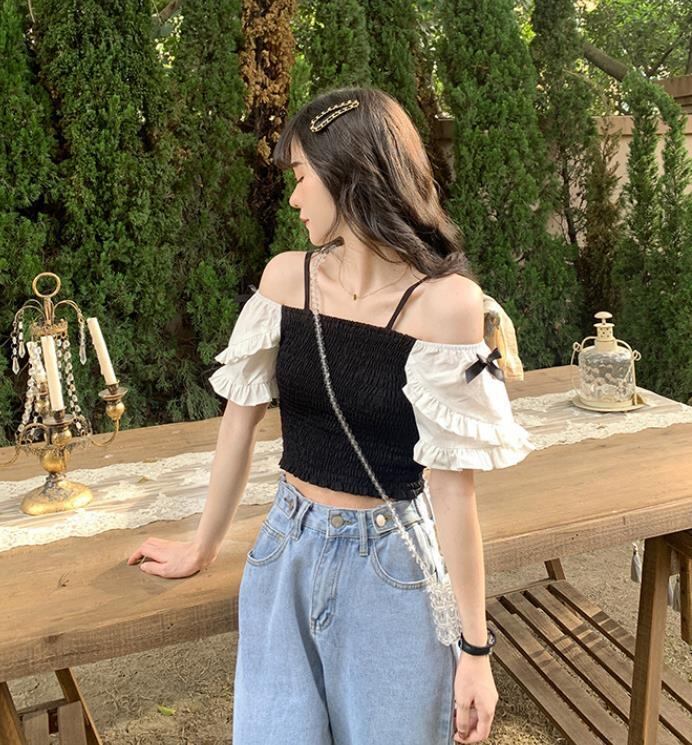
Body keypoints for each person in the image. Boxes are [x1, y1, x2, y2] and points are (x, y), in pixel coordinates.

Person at [128, 86, 535, 744]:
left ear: (347, 172)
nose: (293, 198)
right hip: (284, 551)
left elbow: (454, 491)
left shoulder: (447, 304)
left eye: (300, 177)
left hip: (394, 568)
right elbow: (239, 422)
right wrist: (203, 545)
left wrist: (475, 650)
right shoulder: (286, 280)